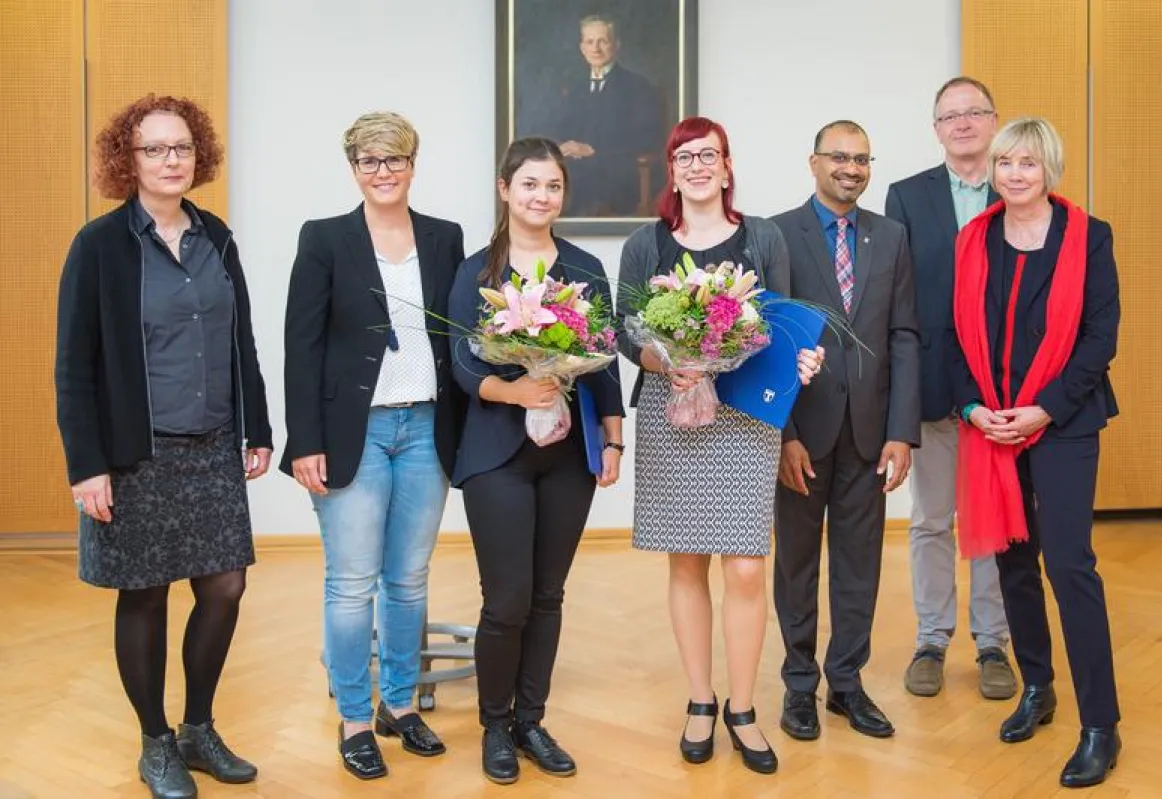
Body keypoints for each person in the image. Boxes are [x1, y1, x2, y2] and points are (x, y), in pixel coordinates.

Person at [55, 94, 271, 799]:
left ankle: (198, 728)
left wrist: (258, 427)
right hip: (134, 452)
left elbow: (242, 339)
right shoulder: (98, 246)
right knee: (144, 595)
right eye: (155, 149)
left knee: (225, 584)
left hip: (211, 446)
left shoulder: (218, 237)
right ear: (129, 159)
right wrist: (86, 464)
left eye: (181, 147)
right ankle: (156, 740)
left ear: (197, 155)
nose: (171, 159)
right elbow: (73, 363)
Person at [617, 116, 822, 776]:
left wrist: (802, 363)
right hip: (672, 410)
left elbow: (783, 323)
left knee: (744, 567)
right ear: (671, 170)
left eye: (710, 155)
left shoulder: (762, 236)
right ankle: (700, 700)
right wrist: (659, 358)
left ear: (728, 167)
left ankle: (742, 707)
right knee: (686, 564)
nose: (698, 165)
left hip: (744, 419)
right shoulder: (645, 244)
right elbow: (625, 331)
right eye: (685, 156)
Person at [281, 112, 465, 780]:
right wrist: (304, 439)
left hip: (424, 427)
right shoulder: (326, 238)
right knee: (352, 582)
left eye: (394, 160)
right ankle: (355, 717)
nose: (382, 172)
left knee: (408, 578)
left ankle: (400, 704)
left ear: (414, 164)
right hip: (351, 432)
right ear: (353, 167)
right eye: (368, 160)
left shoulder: (445, 238)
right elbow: (299, 343)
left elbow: (457, 338)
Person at [949, 117, 1121, 788]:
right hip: (990, 421)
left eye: (1028, 162)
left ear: (1050, 168)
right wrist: (973, 408)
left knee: (1070, 563)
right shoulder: (973, 240)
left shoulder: (1090, 236)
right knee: (1013, 564)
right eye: (1005, 162)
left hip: (1066, 420)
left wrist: (1045, 407)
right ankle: (1038, 687)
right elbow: (955, 337)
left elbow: (1100, 338)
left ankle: (1101, 724)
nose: (1015, 173)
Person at [448, 137, 624, 785]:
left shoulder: (582, 266)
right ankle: (495, 724)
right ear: (504, 189)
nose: (540, 197)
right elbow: (462, 362)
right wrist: (515, 389)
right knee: (508, 597)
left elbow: (604, 358)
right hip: (496, 450)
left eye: (552, 186)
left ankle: (531, 719)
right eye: (529, 185)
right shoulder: (476, 271)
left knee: (549, 592)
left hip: (568, 454)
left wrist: (612, 436)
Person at [771, 120, 920, 743]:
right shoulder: (777, 233)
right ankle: (800, 686)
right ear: (813, 162)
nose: (851, 169)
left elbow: (904, 335)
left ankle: (847, 685)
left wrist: (901, 430)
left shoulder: (892, 236)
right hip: (803, 432)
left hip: (870, 432)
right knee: (797, 565)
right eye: (839, 157)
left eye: (862, 159)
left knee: (860, 565)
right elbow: (769, 339)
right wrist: (781, 435)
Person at [885, 76, 1016, 700]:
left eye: (974, 113)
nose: (963, 124)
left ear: (993, 122)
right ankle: (932, 639)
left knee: (992, 521)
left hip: (1004, 390)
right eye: (950, 116)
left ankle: (994, 642)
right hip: (936, 385)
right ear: (936, 129)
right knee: (932, 520)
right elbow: (899, 300)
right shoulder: (906, 197)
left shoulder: (1018, 186)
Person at [547, 13, 664, 217]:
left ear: (616, 45)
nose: (596, 48)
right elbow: (561, 129)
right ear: (582, 47)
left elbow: (649, 138)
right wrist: (564, 146)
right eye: (590, 41)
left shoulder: (638, 87)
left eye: (603, 41)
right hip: (575, 171)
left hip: (620, 173)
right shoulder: (574, 88)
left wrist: (594, 150)